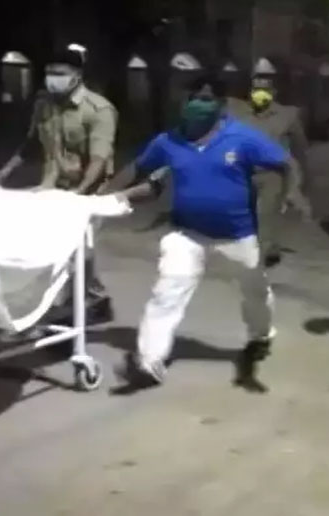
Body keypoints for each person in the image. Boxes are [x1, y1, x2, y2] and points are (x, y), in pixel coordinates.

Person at [104, 74, 287, 389]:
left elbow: (284, 164)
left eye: (206, 98)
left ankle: (260, 335)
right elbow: (138, 167)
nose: (198, 104)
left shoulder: (242, 137)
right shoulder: (168, 141)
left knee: (255, 292)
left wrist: (282, 201)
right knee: (167, 293)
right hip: (187, 235)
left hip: (237, 236)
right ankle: (149, 361)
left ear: (221, 104)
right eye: (193, 98)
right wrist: (102, 198)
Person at [0, 44, 118, 325]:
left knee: (74, 248)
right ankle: (94, 298)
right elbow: (31, 144)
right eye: (49, 72)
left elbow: (98, 159)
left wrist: (80, 194)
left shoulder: (99, 109)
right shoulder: (44, 105)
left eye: (60, 73)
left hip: (90, 190)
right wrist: (4, 172)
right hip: (53, 185)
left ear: (76, 75)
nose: (52, 78)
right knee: (63, 248)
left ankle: (71, 312)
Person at [226, 75, 311, 267]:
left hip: (272, 174)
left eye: (265, 90)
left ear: (273, 93)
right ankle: (255, 248)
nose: (260, 94)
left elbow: (300, 148)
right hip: (244, 174)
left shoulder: (287, 116)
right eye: (256, 89)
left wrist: (298, 182)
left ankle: (262, 256)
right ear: (250, 92)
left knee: (266, 215)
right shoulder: (239, 114)